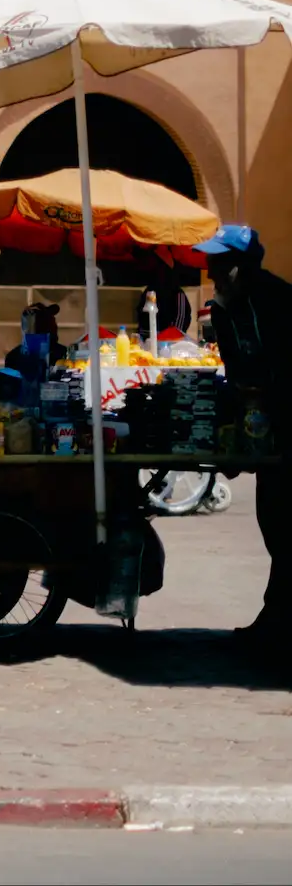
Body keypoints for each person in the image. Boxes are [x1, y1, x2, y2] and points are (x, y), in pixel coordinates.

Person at [195, 224, 292, 655]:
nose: (209, 266)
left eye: (217, 259)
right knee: (274, 524)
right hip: (262, 423)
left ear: (241, 264)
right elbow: (236, 368)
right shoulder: (224, 308)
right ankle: (274, 620)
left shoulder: (278, 300)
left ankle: (276, 624)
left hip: (287, 422)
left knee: (284, 527)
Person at [135, 253, 193, 338]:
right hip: (147, 341)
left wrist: (165, 338)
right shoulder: (149, 291)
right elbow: (142, 318)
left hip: (170, 344)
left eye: (161, 269)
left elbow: (179, 326)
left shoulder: (178, 294)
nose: (159, 273)